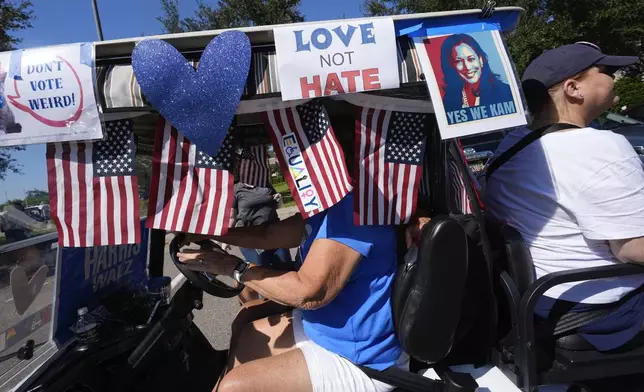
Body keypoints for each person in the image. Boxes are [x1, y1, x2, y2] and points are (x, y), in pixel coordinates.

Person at [482, 42, 644, 351]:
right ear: (573, 89)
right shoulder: (602, 147)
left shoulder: (513, 143)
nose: (614, 77)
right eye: (605, 71)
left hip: (540, 297)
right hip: (602, 308)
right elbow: (632, 249)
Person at [231, 180, 293, 303]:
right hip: (251, 237)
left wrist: (278, 200)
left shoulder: (265, 183)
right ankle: (252, 305)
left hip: (274, 232)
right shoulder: (237, 189)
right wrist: (227, 237)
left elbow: (278, 205)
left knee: (285, 267)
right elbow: (232, 216)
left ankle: (285, 303)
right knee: (259, 273)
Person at [440, 34, 514, 114]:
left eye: (471, 59)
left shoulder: (506, 93)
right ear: (452, 66)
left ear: (481, 60)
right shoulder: (449, 100)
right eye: (459, 61)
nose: (467, 67)